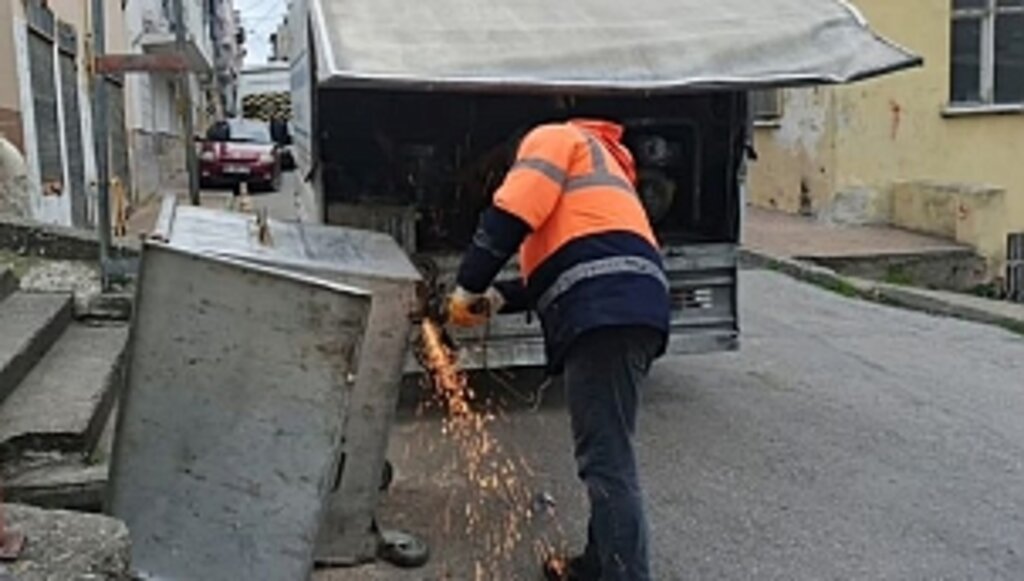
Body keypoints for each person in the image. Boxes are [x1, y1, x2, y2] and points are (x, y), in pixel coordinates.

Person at [446, 119, 671, 581]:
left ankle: (626, 574)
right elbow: (576, 255)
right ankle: (598, 564)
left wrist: (467, 284)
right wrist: (501, 297)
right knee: (608, 449)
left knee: (607, 459)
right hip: (629, 301)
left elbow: (512, 212)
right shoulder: (599, 160)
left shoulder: (549, 138)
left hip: (606, 311)